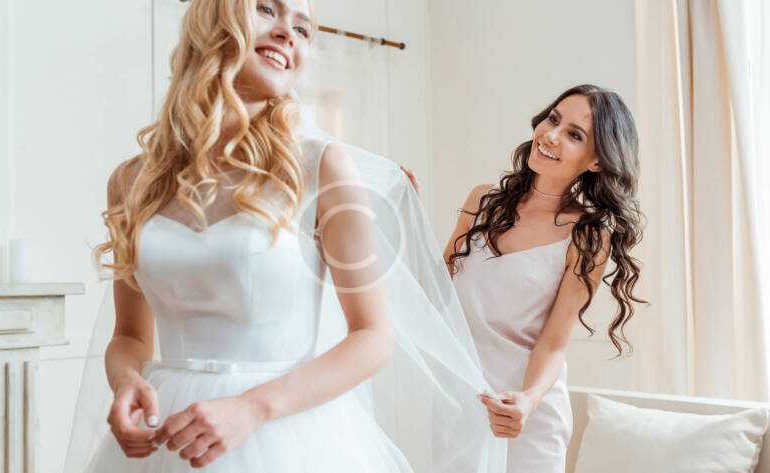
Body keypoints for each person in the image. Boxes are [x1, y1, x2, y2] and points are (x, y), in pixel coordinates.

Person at [65, 1, 507, 472]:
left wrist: (252, 408)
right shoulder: (133, 181)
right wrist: (126, 380)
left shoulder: (322, 167)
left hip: (284, 431)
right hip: (167, 433)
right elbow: (129, 335)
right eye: (266, 9)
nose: (287, 34)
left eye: (303, 28)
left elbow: (374, 336)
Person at [403, 84, 645, 472]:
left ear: (597, 161)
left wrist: (528, 401)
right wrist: (408, 214)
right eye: (553, 120)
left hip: (526, 417)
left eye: (574, 135)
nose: (551, 136)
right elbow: (435, 291)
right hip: (460, 400)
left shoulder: (587, 236)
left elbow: (553, 341)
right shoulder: (482, 202)